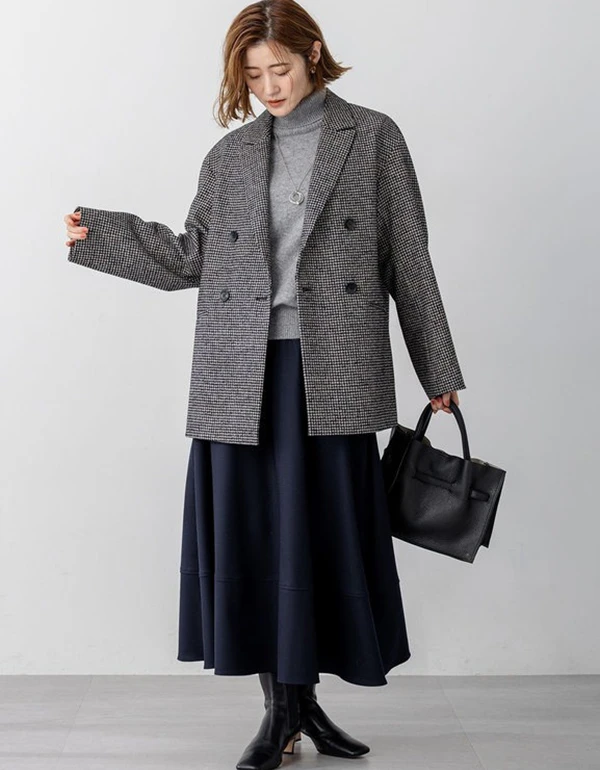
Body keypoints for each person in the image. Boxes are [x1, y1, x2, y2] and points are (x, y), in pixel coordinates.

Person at [64, 1, 466, 768]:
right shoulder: (232, 155)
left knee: (317, 541)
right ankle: (284, 712)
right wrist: (100, 234)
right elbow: (192, 257)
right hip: (238, 371)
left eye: (279, 68)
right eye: (252, 75)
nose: (268, 87)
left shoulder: (372, 136)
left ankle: (297, 709)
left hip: (333, 369)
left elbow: (408, 257)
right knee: (256, 541)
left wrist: (437, 370)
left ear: (313, 53)